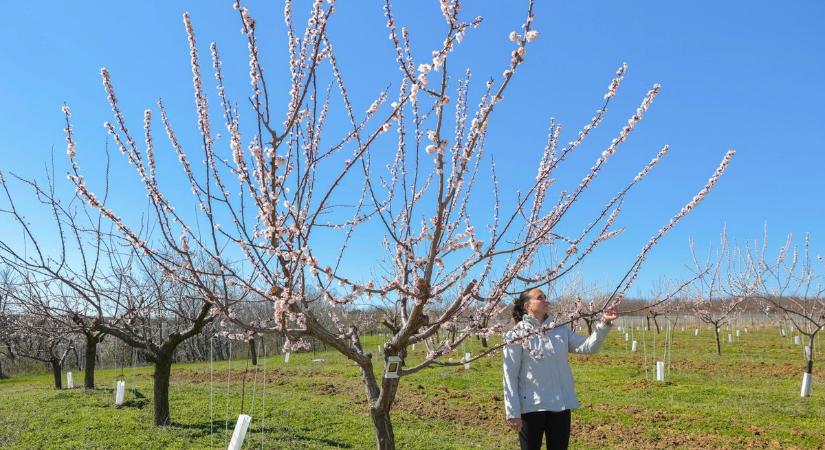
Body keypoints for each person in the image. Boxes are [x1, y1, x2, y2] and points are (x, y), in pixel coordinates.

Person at [502, 287, 618, 450]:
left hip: (560, 405)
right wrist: (513, 412)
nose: (546, 300)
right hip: (531, 407)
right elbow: (510, 374)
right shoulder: (516, 335)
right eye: (540, 297)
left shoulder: (559, 330)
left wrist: (604, 323)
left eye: (545, 297)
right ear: (527, 305)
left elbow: (588, 347)